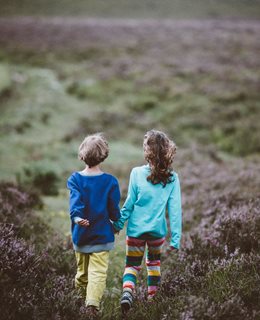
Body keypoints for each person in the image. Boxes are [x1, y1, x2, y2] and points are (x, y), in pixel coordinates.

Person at [113, 129, 182, 314]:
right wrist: (175, 239)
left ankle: (127, 292)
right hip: (157, 233)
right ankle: (152, 300)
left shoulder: (136, 173)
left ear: (147, 151)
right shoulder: (172, 178)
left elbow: (129, 203)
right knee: (154, 265)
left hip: (135, 231)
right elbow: (175, 211)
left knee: (132, 265)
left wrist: (118, 224)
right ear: (166, 151)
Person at [67, 133, 121, 318]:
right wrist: (116, 223)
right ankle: (92, 305)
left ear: (82, 154)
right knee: (97, 272)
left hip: (81, 235)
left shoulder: (75, 179)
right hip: (102, 235)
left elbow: (76, 203)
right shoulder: (110, 181)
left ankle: (81, 301)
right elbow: (113, 208)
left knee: (82, 273)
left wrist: (77, 218)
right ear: (104, 155)